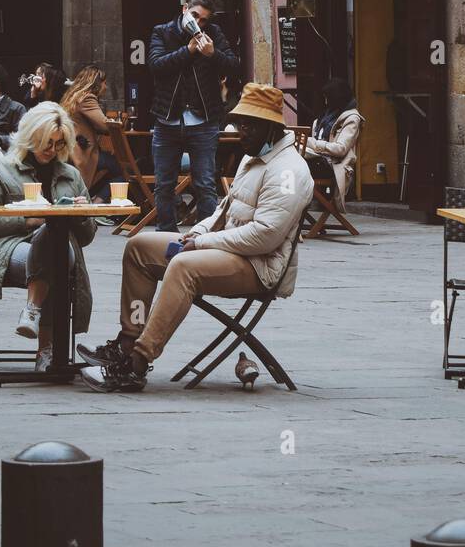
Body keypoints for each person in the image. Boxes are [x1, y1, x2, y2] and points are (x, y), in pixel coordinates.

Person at [78, 83, 313, 393]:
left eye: (248, 125)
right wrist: (199, 231)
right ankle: (127, 340)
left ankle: (135, 365)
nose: (240, 132)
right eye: (240, 123)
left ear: (270, 126)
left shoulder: (288, 172)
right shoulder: (252, 157)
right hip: (226, 250)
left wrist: (201, 244)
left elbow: (265, 237)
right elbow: (223, 209)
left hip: (259, 267)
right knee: (139, 247)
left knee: (184, 266)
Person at [0, 102, 96, 373]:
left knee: (55, 244)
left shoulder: (70, 175)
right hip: (7, 249)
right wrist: (29, 220)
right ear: (29, 137)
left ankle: (33, 311)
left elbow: (87, 236)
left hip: (58, 250)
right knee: (55, 256)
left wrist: (79, 214)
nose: (51, 150)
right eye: (45, 143)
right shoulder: (0, 171)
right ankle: (46, 350)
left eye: (58, 144)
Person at [147, 0, 240, 231]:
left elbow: (233, 65)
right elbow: (156, 66)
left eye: (204, 20)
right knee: (164, 184)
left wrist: (212, 54)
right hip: (168, 118)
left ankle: (204, 234)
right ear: (185, 9)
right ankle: (165, 234)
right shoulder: (163, 32)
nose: (199, 22)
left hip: (203, 119)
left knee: (205, 183)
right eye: (195, 15)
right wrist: (187, 50)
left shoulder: (215, 34)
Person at [60, 65, 124, 205]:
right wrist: (118, 123)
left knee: (114, 166)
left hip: (72, 149)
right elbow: (104, 125)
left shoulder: (73, 96)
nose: (106, 87)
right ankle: (97, 205)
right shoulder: (87, 98)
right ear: (96, 83)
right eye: (104, 82)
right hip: (83, 152)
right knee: (124, 168)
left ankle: (95, 200)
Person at [304, 77, 364, 214]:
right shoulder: (324, 117)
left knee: (293, 167)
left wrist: (312, 143)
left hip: (333, 165)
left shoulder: (352, 119)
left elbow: (341, 149)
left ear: (337, 98)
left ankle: (292, 212)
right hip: (318, 160)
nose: (325, 101)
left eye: (328, 98)